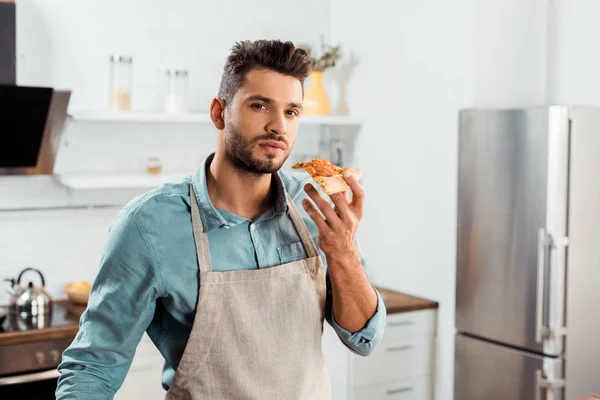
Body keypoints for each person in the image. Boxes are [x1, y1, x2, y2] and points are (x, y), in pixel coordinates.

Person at [55, 39, 386, 400]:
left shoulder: (313, 207)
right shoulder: (147, 226)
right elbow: (92, 368)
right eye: (260, 105)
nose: (279, 126)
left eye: (292, 112)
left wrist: (343, 250)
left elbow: (363, 338)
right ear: (219, 112)